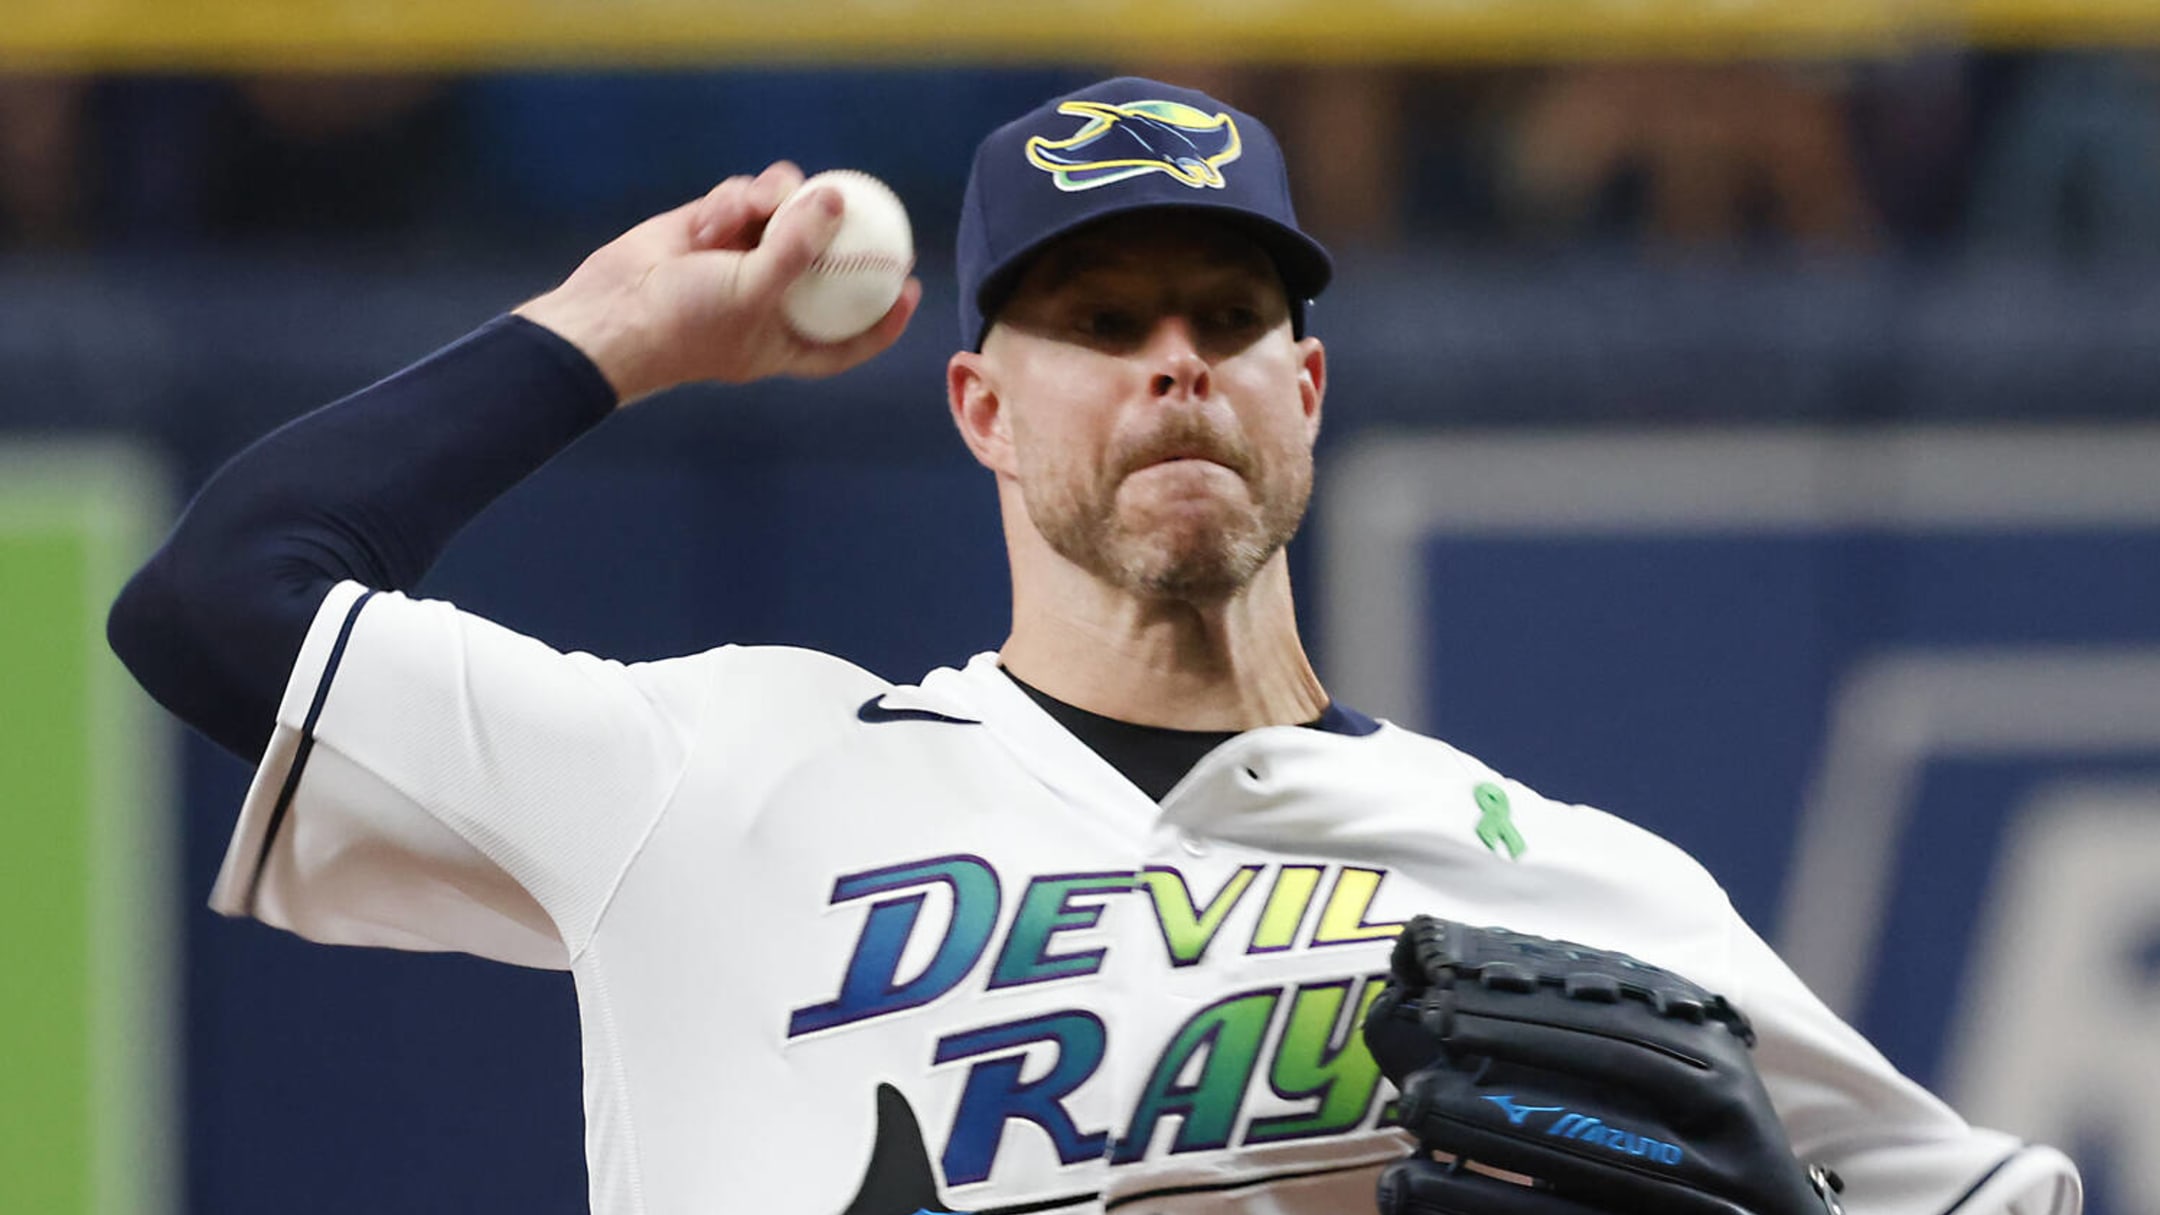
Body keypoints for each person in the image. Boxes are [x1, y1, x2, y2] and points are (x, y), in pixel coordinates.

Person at [109, 77, 2078, 1215]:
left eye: (1224, 314)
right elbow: (219, 600)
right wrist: (620, 324)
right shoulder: (708, 772)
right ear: (982, 405)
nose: (1171, 359)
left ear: (1304, 389)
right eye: (1101, 314)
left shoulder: (1585, 889)